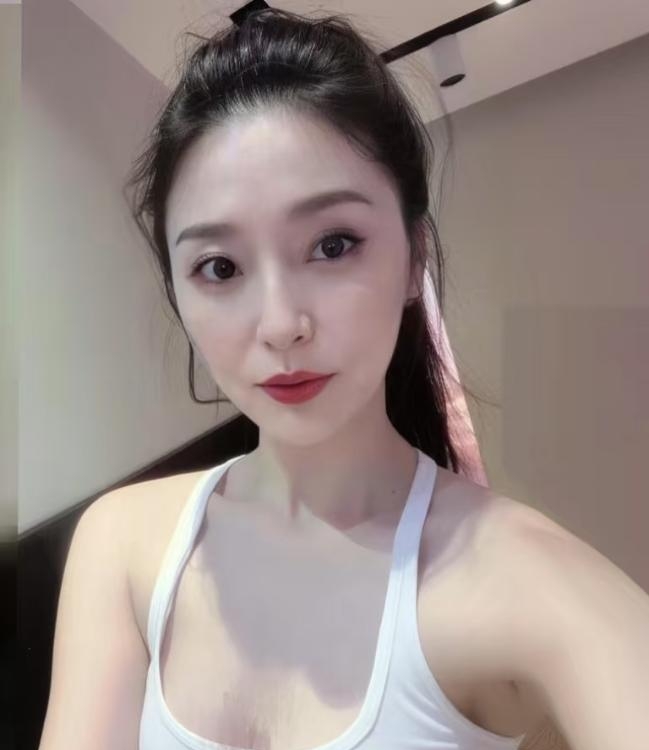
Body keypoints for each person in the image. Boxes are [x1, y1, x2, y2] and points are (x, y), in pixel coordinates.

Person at [38, 8, 649, 750]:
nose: (280, 324)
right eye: (219, 267)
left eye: (333, 244)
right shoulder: (123, 543)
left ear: (414, 258)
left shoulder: (529, 586)